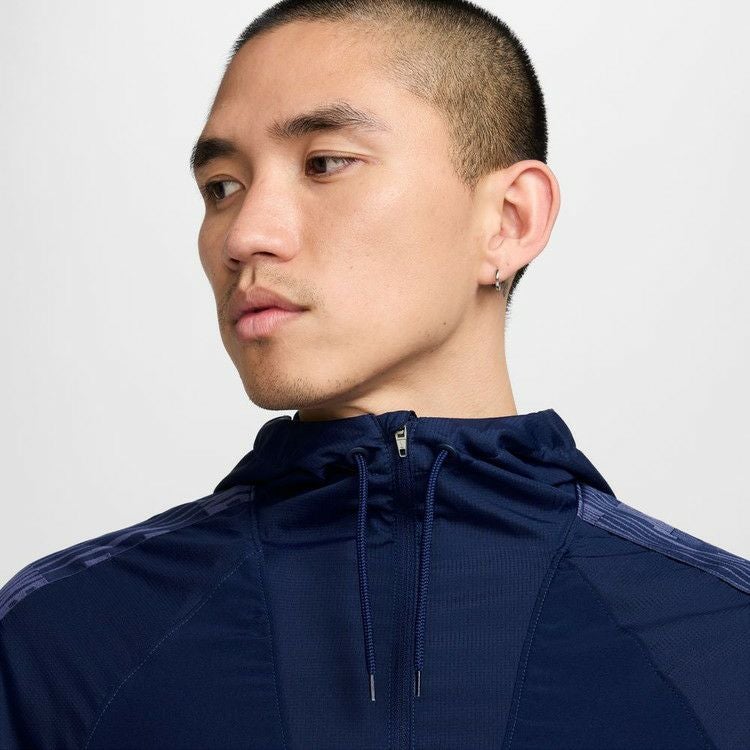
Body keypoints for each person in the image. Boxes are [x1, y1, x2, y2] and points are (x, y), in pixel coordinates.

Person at [1, 0, 748, 747]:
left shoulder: (723, 646)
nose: (245, 235)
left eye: (325, 163)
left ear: (509, 220)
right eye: (222, 186)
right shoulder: (63, 644)